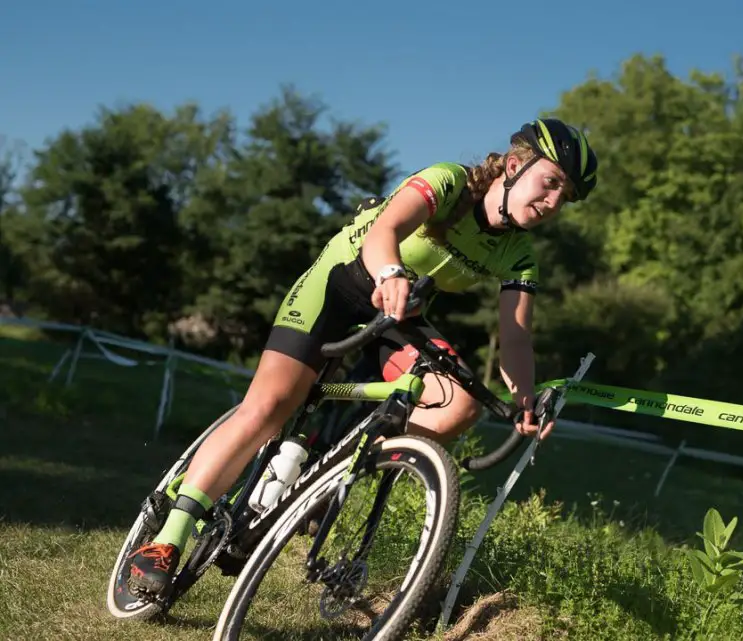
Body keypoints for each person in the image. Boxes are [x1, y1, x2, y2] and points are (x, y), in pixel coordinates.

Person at [125, 118, 599, 598]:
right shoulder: (449, 183)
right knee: (270, 407)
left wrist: (524, 401)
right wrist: (391, 272)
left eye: (568, 197)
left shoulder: (518, 255)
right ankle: (168, 539)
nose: (555, 202)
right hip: (339, 286)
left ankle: (327, 479)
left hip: (397, 314)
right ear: (515, 165)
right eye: (552, 182)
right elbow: (385, 229)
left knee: (459, 403)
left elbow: (515, 338)